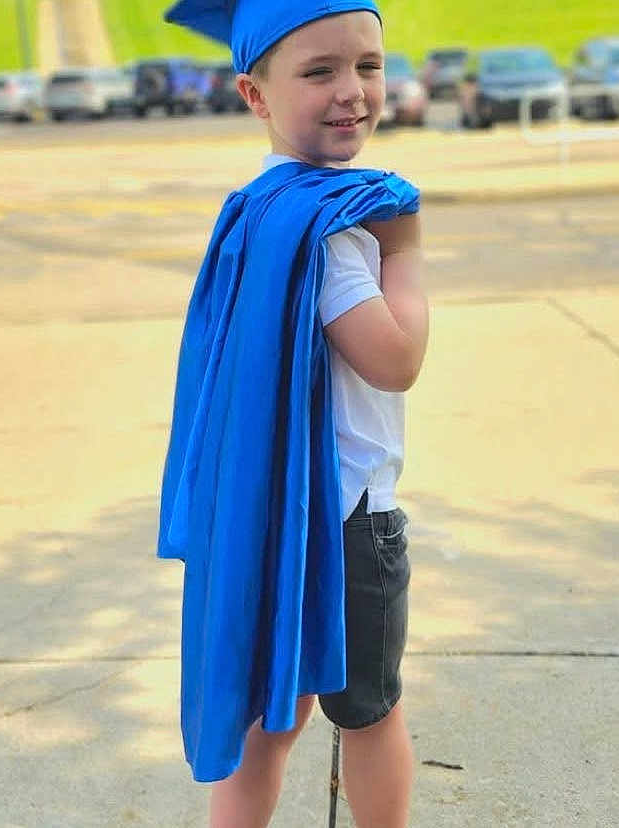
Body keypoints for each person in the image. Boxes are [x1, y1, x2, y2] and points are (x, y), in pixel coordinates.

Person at [158, 2, 429, 826]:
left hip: (264, 515)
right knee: (370, 713)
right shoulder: (335, 228)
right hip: (345, 520)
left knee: (269, 720)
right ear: (255, 94)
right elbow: (395, 360)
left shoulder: (256, 208)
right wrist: (404, 251)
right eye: (319, 72)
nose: (352, 90)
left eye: (369, 66)